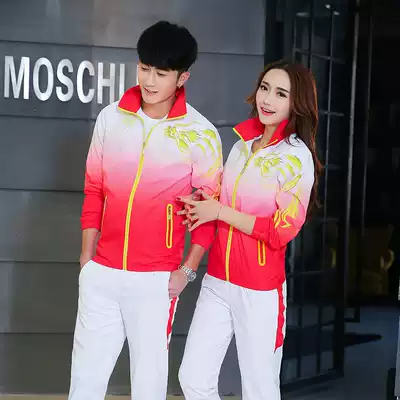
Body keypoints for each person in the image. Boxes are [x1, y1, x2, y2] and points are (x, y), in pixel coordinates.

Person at [68, 21, 222, 400]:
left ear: (182, 77)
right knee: (84, 383)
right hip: (102, 273)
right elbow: (94, 189)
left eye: (161, 73)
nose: (149, 81)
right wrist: (87, 259)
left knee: (148, 388)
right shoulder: (111, 118)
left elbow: (208, 212)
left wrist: (187, 270)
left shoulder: (200, 134)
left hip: (156, 281)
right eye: (144, 68)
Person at [178, 60, 321, 400]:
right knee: (193, 378)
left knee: (259, 390)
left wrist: (220, 211)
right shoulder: (242, 146)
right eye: (265, 88)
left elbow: (281, 231)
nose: (267, 99)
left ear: (296, 102)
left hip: (259, 290)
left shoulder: (296, 157)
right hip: (218, 281)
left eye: (281, 93)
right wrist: (204, 204)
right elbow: (223, 201)